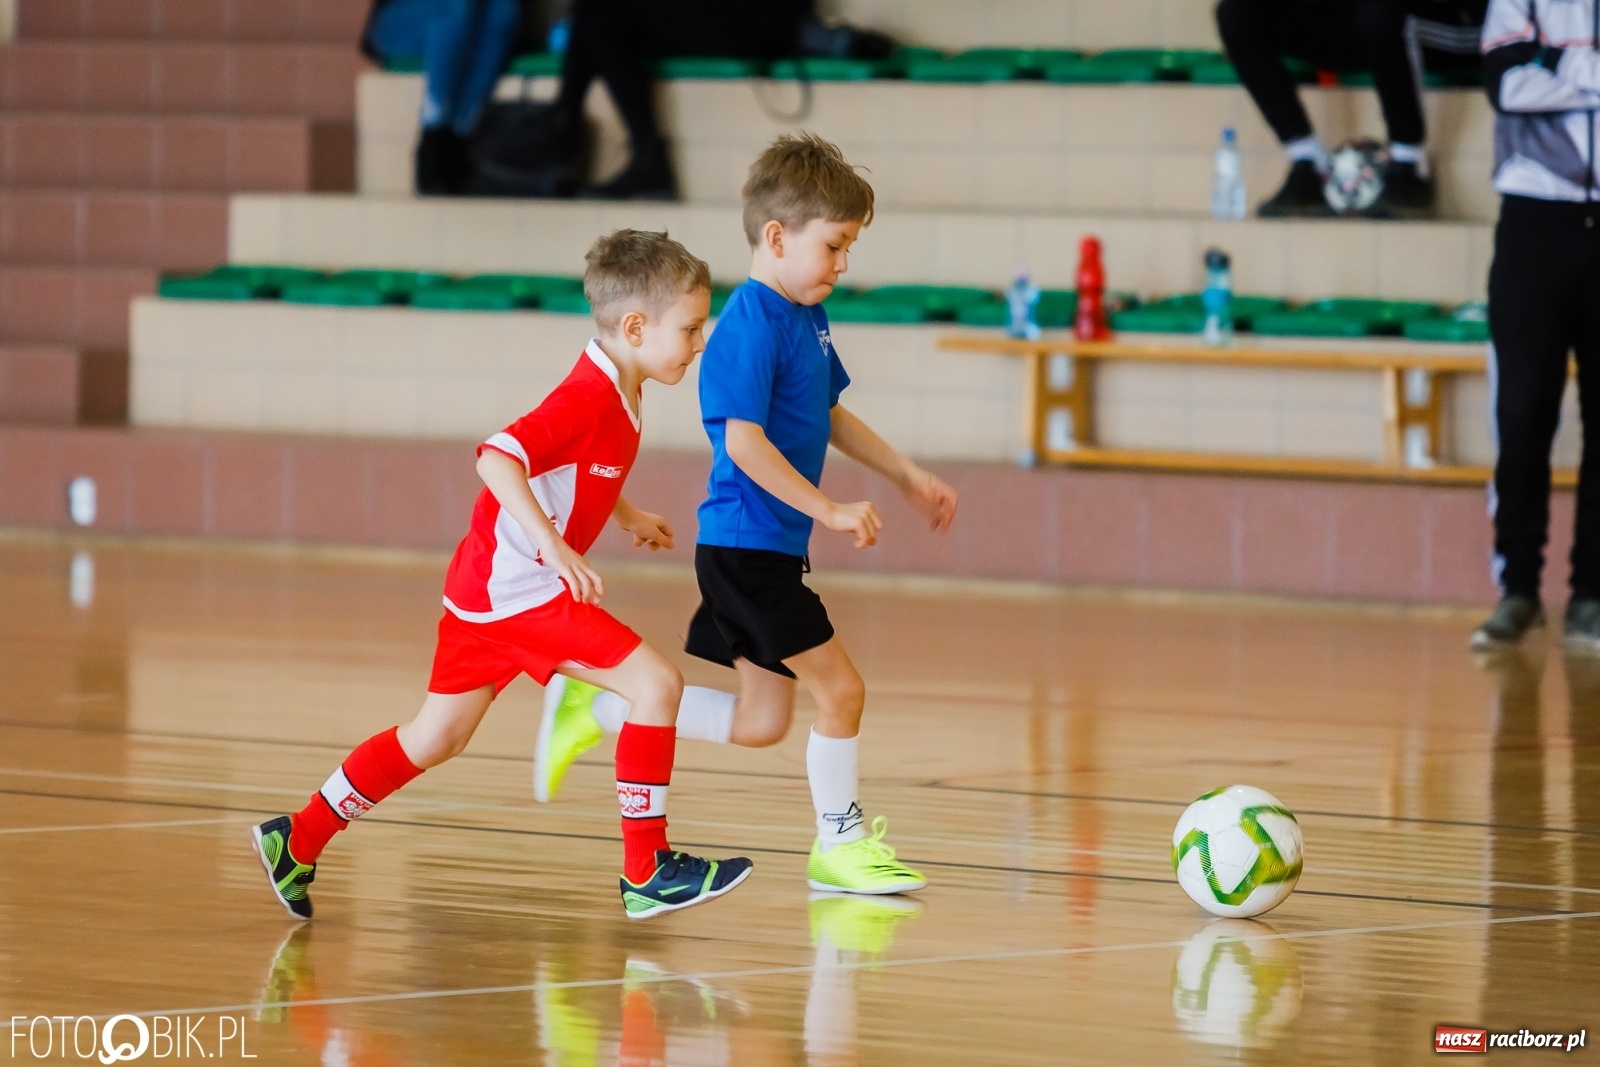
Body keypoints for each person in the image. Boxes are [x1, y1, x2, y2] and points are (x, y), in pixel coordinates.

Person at [250, 230, 753, 922]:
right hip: (518, 592)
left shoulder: (623, 388)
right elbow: (496, 458)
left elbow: (575, 470)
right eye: (690, 328)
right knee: (656, 684)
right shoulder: (587, 396)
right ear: (636, 327)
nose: (699, 343)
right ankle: (647, 869)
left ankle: (297, 839)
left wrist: (626, 514)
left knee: (436, 737)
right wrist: (554, 548)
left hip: (483, 592)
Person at [535, 134, 960, 896]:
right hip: (745, 550)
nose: (842, 264)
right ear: (777, 236)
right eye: (833, 244)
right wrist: (828, 508)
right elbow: (745, 443)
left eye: (849, 247)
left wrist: (904, 473)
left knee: (763, 722)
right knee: (843, 690)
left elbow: (827, 412)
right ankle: (840, 844)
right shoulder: (747, 324)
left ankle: (599, 706)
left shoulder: (806, 317)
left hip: (766, 549)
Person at [1470, 0, 1600, 653]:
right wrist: (1590, 72)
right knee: (1522, 412)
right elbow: (1506, 85)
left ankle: (1592, 594)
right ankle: (1518, 588)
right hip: (1534, 222)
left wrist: (1554, 60)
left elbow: (1533, 74)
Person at [539, 1, 892, 200]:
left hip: (753, 22)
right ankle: (634, 156)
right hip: (713, 17)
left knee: (595, 11)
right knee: (599, 23)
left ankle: (561, 137)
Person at [1215, 0, 1486, 217]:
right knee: (1237, 13)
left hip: (1459, 22)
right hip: (1366, 19)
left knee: (1381, 13)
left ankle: (1408, 164)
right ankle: (1307, 162)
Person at [362, 0, 524, 195]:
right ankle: (432, 135)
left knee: (503, 12)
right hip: (401, 23)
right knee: (455, 7)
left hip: (468, 20)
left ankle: (459, 134)